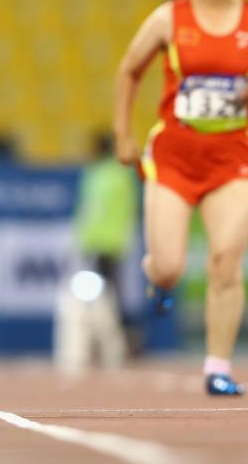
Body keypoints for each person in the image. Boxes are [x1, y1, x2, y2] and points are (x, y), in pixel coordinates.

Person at [113, 0, 248, 396]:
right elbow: (129, 71)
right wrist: (123, 135)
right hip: (173, 158)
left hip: (231, 160)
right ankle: (158, 276)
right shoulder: (171, 17)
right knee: (170, 265)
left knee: (225, 261)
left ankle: (217, 366)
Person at [72, 130, 140, 353]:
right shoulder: (106, 174)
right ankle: (104, 340)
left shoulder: (110, 174)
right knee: (104, 294)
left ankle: (115, 340)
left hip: (107, 242)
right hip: (102, 242)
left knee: (108, 294)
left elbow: (93, 210)